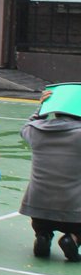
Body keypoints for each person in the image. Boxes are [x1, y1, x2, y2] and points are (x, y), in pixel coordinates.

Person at [19, 84, 81, 261]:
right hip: (74, 209)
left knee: (42, 223)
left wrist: (41, 108)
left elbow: (25, 127)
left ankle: (43, 235)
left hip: (38, 207)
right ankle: (73, 239)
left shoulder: (35, 130)